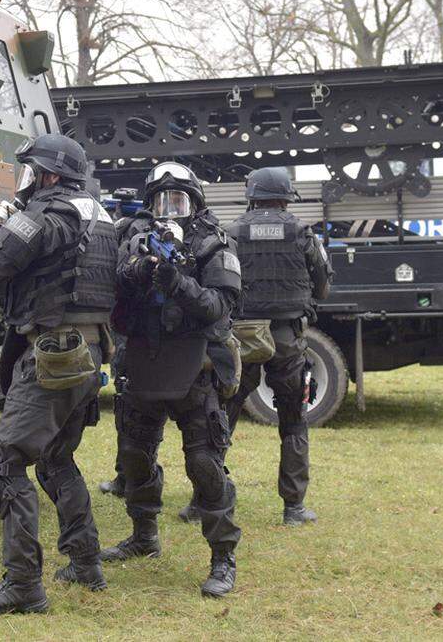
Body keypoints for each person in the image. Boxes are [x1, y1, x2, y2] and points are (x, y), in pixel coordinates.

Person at [0, 134, 118, 614]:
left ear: (50, 175)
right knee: (58, 458)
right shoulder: (100, 217)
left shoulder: (45, 214)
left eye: (32, 172)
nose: (29, 181)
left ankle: (23, 586)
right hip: (89, 354)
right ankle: (85, 563)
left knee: (4, 465)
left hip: (52, 355)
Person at [100, 161, 242, 598]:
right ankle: (144, 536)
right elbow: (110, 291)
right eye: (161, 200)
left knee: (204, 464)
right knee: (134, 457)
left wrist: (176, 280)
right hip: (144, 361)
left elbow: (219, 306)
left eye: (178, 199)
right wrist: (137, 272)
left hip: (195, 368)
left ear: (196, 203)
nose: (169, 208)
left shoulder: (215, 243)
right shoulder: (133, 237)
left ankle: (223, 557)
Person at [176, 167, 332, 526]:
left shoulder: (228, 233)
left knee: (219, 419)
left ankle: (203, 501)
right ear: (286, 196)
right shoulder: (303, 233)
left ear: (251, 196)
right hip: (288, 338)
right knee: (293, 419)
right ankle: (293, 508)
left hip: (241, 338)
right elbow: (323, 288)